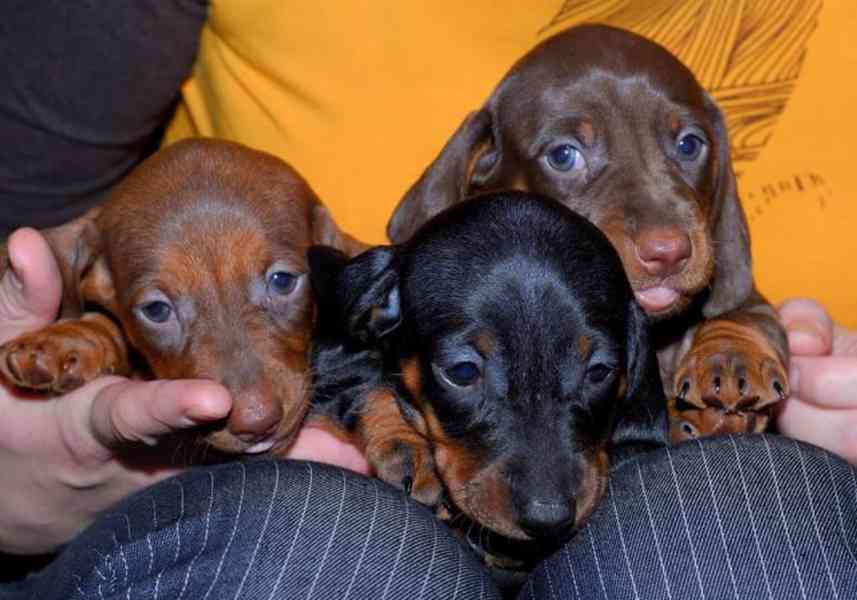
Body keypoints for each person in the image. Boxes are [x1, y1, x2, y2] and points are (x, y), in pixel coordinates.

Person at [1, 2, 856, 598]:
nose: (662, 234)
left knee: (745, 525)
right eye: (567, 156)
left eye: (684, 148)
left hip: (726, 476)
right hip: (276, 506)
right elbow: (37, 242)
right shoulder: (376, 302)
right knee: (328, 552)